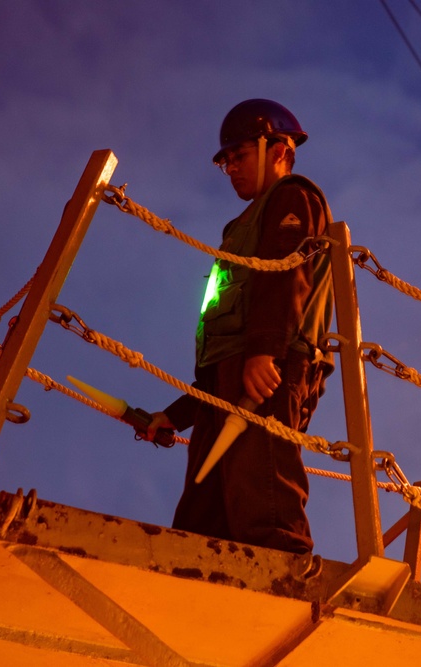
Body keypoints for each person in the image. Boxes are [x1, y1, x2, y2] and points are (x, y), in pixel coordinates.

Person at [148, 99, 333, 554]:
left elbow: (284, 274)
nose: (230, 167)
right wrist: (178, 413)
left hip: (267, 370)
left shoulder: (293, 198)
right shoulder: (240, 226)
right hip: (230, 376)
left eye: (240, 155)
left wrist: (264, 352)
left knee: (264, 509)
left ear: (278, 149)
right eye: (225, 161)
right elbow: (221, 347)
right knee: (201, 521)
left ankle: (287, 591)